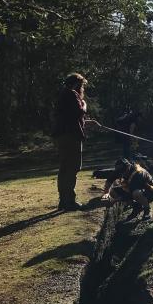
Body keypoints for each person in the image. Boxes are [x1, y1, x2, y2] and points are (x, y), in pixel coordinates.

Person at [53, 73, 89, 211]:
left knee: (64, 168)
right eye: (81, 86)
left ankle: (63, 200)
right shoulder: (72, 94)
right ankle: (69, 201)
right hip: (71, 137)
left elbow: (70, 116)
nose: (82, 89)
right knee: (72, 168)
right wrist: (84, 104)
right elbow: (79, 111)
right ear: (77, 84)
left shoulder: (62, 95)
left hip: (62, 135)